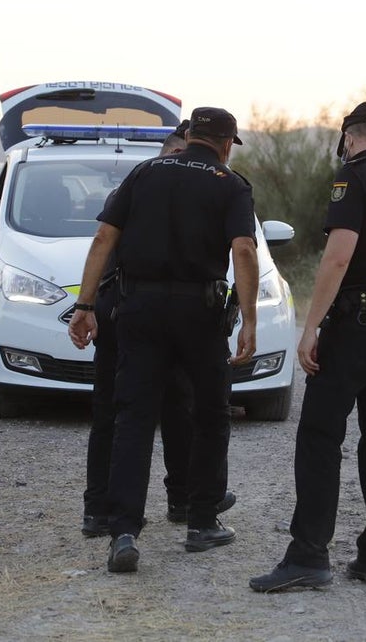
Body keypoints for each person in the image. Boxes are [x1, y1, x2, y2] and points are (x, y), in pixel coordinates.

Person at [68, 107, 258, 574]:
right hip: (200, 311)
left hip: (139, 308)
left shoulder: (144, 173)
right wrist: (250, 319)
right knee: (210, 412)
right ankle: (201, 521)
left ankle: (124, 531)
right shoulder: (230, 183)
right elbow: (244, 249)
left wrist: (85, 305)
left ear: (189, 134)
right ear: (228, 143)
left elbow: (103, 239)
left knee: (133, 416)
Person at [249, 101, 366, 593]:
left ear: (350, 136)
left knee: (320, 436)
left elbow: (338, 256)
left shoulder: (353, 177)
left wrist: (310, 328)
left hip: (356, 323)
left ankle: (309, 554)